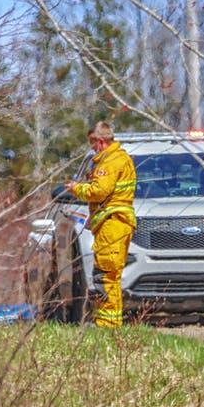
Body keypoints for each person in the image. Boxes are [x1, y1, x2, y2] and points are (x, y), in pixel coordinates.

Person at [66, 121, 137, 328]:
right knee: (111, 274)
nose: (91, 147)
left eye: (92, 143)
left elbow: (99, 191)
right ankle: (111, 322)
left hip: (112, 224)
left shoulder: (109, 162)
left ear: (100, 141)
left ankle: (107, 323)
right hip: (117, 221)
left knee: (105, 273)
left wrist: (77, 188)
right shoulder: (122, 158)